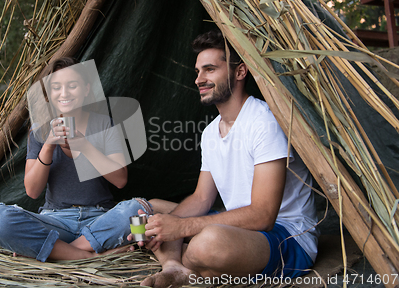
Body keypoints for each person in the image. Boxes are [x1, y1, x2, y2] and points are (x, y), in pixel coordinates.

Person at [133, 30, 319, 287]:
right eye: (197, 71)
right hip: (239, 227)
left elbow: (263, 216)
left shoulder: (264, 121)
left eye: (209, 69)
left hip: (286, 235)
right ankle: (175, 266)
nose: (199, 79)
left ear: (240, 72)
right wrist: (167, 225)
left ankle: (188, 262)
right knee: (153, 209)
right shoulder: (211, 132)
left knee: (207, 243)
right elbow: (201, 198)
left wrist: (182, 229)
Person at [0, 57, 153, 261]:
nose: (64, 93)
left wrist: (84, 146)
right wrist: (48, 146)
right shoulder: (39, 130)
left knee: (138, 211)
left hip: (100, 219)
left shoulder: (104, 124)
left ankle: (59, 251)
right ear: (49, 94)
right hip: (56, 221)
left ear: (86, 89)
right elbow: (32, 191)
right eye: (56, 87)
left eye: (72, 86)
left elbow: (120, 180)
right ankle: (90, 255)